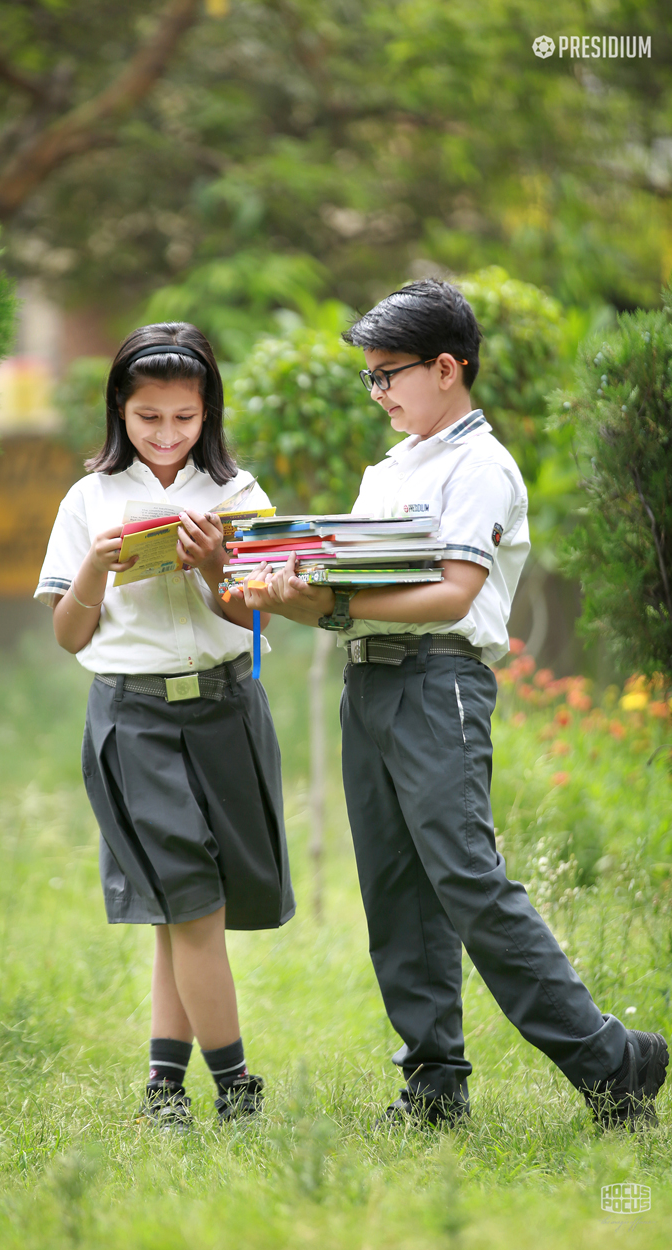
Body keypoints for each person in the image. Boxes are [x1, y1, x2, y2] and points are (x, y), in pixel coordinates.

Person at [236, 280, 668, 1129]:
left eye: (388, 374)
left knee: (468, 881)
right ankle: (435, 1087)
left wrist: (330, 606)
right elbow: (348, 587)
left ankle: (612, 1063)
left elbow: (451, 594)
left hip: (440, 685)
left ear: (447, 367)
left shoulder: (484, 466)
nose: (378, 392)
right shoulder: (388, 469)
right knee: (394, 888)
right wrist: (289, 589)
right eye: (369, 377)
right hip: (369, 685)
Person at [35, 322, 295, 1129]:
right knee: (188, 904)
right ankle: (239, 1091)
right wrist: (95, 567)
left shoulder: (239, 494)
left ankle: (162, 1089)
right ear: (121, 411)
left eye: (184, 418)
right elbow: (69, 635)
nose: (166, 436)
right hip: (135, 718)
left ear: (207, 412)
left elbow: (256, 615)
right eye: (149, 418)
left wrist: (218, 566)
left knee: (186, 911)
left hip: (225, 709)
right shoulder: (89, 500)